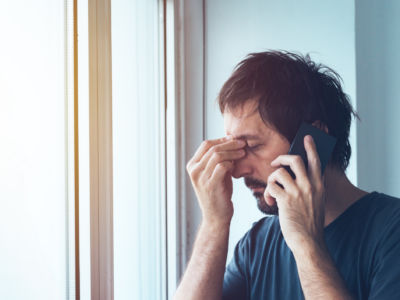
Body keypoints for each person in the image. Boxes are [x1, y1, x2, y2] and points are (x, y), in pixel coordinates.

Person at [174, 50, 400, 300]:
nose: (237, 171)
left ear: (311, 141)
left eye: (253, 146)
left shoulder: (391, 232)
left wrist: (306, 244)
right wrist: (214, 223)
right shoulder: (256, 244)